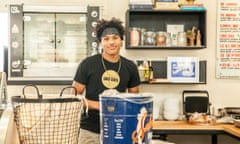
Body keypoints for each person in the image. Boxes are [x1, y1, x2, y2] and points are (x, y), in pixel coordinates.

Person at [72, 17, 141, 144]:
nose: (111, 42)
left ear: (121, 40)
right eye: (106, 39)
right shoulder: (87, 64)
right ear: (100, 42)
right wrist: (100, 105)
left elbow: (134, 100)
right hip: (89, 130)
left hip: (119, 129)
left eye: (115, 38)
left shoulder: (130, 67)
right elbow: (74, 97)